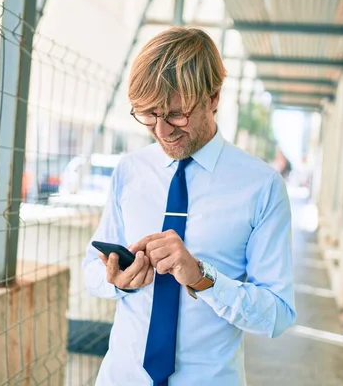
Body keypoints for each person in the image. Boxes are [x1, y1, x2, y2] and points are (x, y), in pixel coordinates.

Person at [82, 27, 296, 386]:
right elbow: (90, 270)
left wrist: (202, 277)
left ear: (213, 98)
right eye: (148, 114)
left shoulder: (261, 187)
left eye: (176, 114)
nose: (162, 130)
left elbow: (277, 314)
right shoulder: (130, 171)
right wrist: (116, 281)